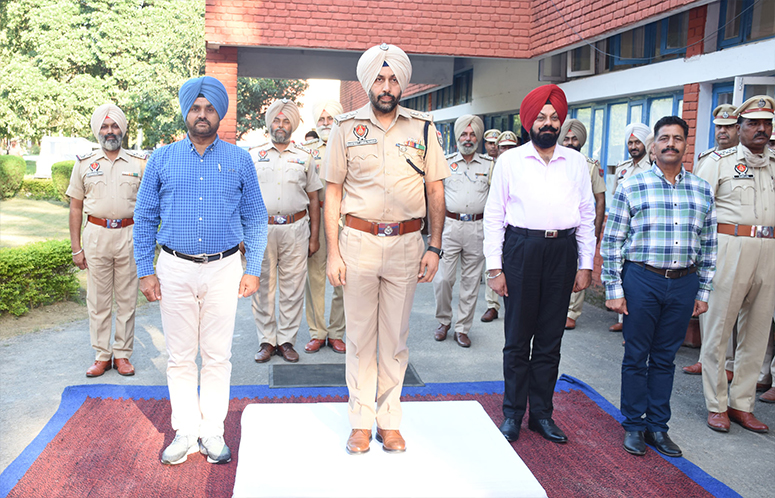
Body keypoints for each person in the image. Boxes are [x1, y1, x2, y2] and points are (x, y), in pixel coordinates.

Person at [134, 76, 268, 465]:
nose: (202, 114)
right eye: (195, 108)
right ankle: (185, 432)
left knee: (217, 355)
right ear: (186, 112)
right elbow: (144, 217)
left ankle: (212, 431)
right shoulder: (161, 158)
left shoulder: (240, 159)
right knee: (179, 356)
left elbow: (256, 217)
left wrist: (252, 267)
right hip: (174, 267)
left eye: (209, 108)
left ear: (219, 113)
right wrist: (145, 269)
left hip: (224, 269)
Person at [323, 43, 448, 454]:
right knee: (360, 338)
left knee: (395, 339)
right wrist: (333, 254)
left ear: (403, 84)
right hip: (357, 242)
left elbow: (435, 190)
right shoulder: (345, 128)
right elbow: (333, 193)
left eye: (394, 79)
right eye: (379, 78)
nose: (387, 86)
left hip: (407, 245)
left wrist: (434, 246)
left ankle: (389, 421)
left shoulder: (423, 128)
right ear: (368, 83)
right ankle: (360, 422)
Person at [484, 84, 595, 444]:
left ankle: (542, 415)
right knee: (517, 340)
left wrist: (585, 264)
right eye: (542, 117)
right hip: (521, 249)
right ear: (528, 122)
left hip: (562, 251)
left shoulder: (576, 163)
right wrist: (495, 267)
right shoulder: (509, 161)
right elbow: (494, 215)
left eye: (554, 118)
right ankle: (513, 414)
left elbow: (587, 215)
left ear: (561, 123)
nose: (548, 123)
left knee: (550, 339)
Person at [602, 115, 717, 458]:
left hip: (684, 283)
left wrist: (703, 291)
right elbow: (612, 241)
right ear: (654, 145)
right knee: (637, 355)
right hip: (642, 279)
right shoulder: (632, 186)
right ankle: (634, 425)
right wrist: (614, 289)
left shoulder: (701, 189)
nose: (670, 144)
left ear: (685, 145)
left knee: (666, 358)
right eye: (664, 138)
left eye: (677, 138)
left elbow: (709, 246)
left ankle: (658, 426)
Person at [697, 96, 775, 435]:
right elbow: (699, 212)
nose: (761, 129)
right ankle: (716, 405)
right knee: (718, 330)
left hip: (769, 251)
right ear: (739, 128)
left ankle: (742, 404)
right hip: (729, 247)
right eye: (753, 123)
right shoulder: (719, 162)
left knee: (757, 332)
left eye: (767, 123)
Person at [67, 104, 146, 377]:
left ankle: (122, 355)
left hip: (129, 235)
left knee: (127, 300)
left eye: (114, 126)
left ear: (122, 129)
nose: (109, 131)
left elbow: (149, 207)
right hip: (96, 236)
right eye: (104, 126)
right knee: (98, 301)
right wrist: (76, 248)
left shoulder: (139, 163)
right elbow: (75, 207)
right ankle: (102, 355)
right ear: (97, 130)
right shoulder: (84, 163)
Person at [251, 99, 321, 363]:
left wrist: (314, 237)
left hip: (296, 229)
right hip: (262, 229)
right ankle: (267, 341)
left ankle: (287, 341)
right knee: (262, 288)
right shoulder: (253, 156)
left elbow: (313, 199)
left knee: (293, 288)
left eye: (286, 121)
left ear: (293, 126)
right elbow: (242, 197)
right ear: (270, 124)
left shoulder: (305, 157)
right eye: (277, 120)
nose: (281, 125)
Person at [683, 103, 740, 378]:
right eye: (719, 127)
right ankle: (711, 360)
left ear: (738, 128)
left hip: (744, 239)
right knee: (714, 303)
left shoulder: (750, 160)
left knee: (743, 310)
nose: (723, 132)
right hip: (715, 240)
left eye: (728, 127)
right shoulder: (708, 159)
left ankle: (736, 366)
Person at [433, 115, 488, 348]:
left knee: (471, 282)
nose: (468, 138)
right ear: (457, 137)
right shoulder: (445, 163)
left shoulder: (489, 165)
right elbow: (436, 198)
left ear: (478, 137)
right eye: (464, 134)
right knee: (443, 279)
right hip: (450, 226)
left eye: (472, 134)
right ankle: (444, 321)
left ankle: (462, 328)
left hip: (477, 228)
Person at [304, 99, 347, 354]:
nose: (326, 123)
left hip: (345, 218)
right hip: (317, 217)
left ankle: (337, 332)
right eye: (321, 119)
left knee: (343, 276)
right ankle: (318, 333)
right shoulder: (307, 151)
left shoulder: (349, 144)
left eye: (330, 118)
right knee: (315, 277)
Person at [561, 119, 606, 330]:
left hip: (581, 226)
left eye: (574, 139)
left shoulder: (590, 166)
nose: (570, 143)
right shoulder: (554, 161)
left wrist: (595, 232)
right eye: (566, 139)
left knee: (580, 266)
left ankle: (572, 312)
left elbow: (600, 199)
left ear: (581, 141)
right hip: (559, 226)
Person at [608, 121, 652, 333]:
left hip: (643, 230)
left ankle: (634, 326)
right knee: (621, 273)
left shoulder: (653, 167)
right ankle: (623, 318)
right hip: (623, 228)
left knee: (638, 278)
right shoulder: (622, 168)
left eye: (638, 142)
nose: (634, 146)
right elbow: (615, 196)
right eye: (630, 143)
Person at [481, 128, 502, 323]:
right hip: (489, 220)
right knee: (492, 261)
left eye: (497, 144)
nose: (493, 147)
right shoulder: (484, 164)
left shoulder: (514, 164)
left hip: (510, 222)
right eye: (490, 143)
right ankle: (492, 305)